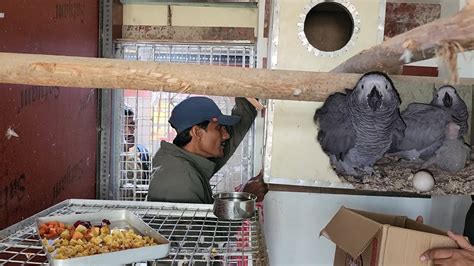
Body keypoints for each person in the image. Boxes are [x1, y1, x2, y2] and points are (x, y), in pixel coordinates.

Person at [147, 97, 268, 204]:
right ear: (197, 132)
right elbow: (200, 229)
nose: (226, 135)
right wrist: (244, 199)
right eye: (219, 128)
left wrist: (248, 93)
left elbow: (235, 131)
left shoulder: (188, 159)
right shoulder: (182, 177)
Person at [122, 106, 151, 185]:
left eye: (132, 123)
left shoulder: (142, 151)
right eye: (124, 125)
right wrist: (124, 149)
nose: (130, 128)